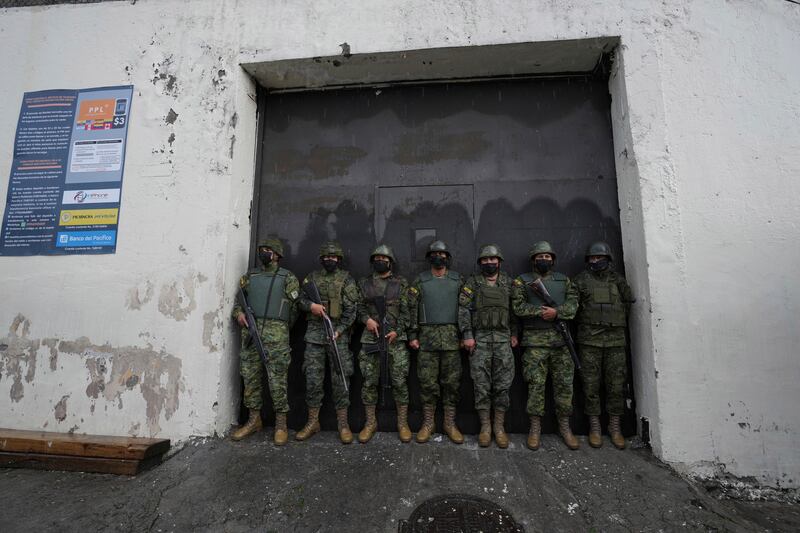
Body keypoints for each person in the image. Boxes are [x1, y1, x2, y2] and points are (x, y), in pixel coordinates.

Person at [511, 241, 579, 450]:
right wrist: (542, 312)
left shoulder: (563, 280)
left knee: (564, 387)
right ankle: (535, 428)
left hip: (561, 342)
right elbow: (518, 307)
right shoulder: (522, 281)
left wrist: (557, 313)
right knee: (535, 386)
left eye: (547, 257)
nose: (544, 260)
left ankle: (565, 427)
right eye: (540, 257)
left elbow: (574, 304)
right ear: (533, 260)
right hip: (535, 343)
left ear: (553, 260)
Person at [231, 238, 299, 445]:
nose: (265, 253)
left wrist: (279, 328)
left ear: (277, 255)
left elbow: (294, 309)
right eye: (262, 250)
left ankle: (281, 424)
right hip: (250, 335)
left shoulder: (288, 278)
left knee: (277, 381)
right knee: (250, 379)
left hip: (276, 338)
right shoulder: (249, 277)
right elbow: (237, 302)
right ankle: (253, 421)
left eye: (269, 250)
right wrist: (239, 314)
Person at [296, 241, 359, 444]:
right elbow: (300, 300)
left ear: (339, 259)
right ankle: (313, 422)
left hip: (337, 338)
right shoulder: (312, 278)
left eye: (333, 257)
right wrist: (311, 306)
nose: (329, 260)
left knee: (341, 381)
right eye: (326, 257)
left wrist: (339, 331)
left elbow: (352, 311)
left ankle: (343, 424)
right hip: (314, 337)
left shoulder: (346, 280)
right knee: (313, 380)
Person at [573, 241, 634, 450]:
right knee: (590, 386)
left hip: (615, 341)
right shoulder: (581, 281)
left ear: (608, 259)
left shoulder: (618, 281)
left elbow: (628, 302)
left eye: (599, 258)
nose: (595, 261)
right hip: (589, 342)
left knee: (616, 386)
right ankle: (595, 428)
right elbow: (573, 308)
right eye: (592, 258)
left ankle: (615, 428)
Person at [458, 244, 519, 448]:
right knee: (481, 386)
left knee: (503, 386)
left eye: (493, 260)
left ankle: (499, 428)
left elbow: (514, 311)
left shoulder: (508, 283)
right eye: (485, 260)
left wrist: (515, 333)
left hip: (503, 340)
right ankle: (485, 427)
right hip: (480, 340)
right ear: (480, 263)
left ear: (499, 262)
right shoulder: (472, 283)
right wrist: (467, 335)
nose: (489, 263)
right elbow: (464, 309)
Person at [407, 240, 465, 444]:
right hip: (427, 341)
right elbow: (412, 309)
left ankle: (449, 424)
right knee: (427, 383)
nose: (438, 257)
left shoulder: (458, 280)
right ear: (429, 258)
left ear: (447, 258)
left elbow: (465, 310)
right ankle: (428, 423)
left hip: (452, 341)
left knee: (452, 384)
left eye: (442, 254)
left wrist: (464, 335)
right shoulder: (420, 281)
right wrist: (412, 335)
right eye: (434, 254)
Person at [356, 244, 412, 443]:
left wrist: (399, 330)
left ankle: (402, 423)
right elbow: (357, 307)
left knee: (399, 382)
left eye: (384, 258)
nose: (380, 261)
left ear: (390, 261)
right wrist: (366, 320)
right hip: (371, 338)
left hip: (395, 340)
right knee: (369, 382)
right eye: (377, 258)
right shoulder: (364, 283)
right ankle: (370, 423)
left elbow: (408, 311)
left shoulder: (401, 283)